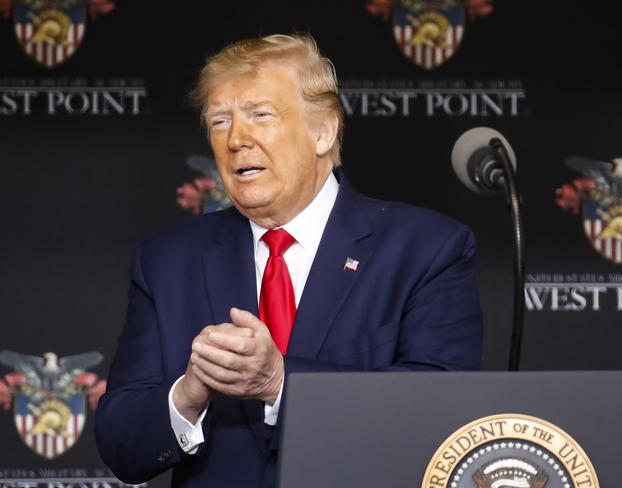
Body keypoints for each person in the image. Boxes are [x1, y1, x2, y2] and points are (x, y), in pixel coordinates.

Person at [95, 33, 482, 487]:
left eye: (260, 115)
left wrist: (281, 383)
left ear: (323, 131)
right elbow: (121, 445)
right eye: (220, 121)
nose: (236, 139)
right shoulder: (167, 260)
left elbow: (441, 419)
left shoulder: (426, 248)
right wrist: (188, 395)